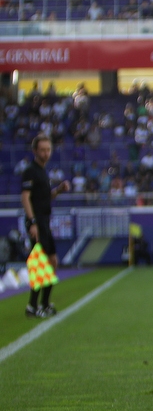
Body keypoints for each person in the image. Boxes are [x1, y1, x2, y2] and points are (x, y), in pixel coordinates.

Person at [21, 133, 71, 318]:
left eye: (48, 149)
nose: (45, 153)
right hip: (38, 222)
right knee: (40, 264)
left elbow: (43, 197)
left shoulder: (43, 172)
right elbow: (25, 197)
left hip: (44, 221)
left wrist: (57, 190)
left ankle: (42, 303)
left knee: (52, 262)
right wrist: (32, 222)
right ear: (35, 151)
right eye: (42, 150)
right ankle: (33, 306)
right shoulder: (31, 171)